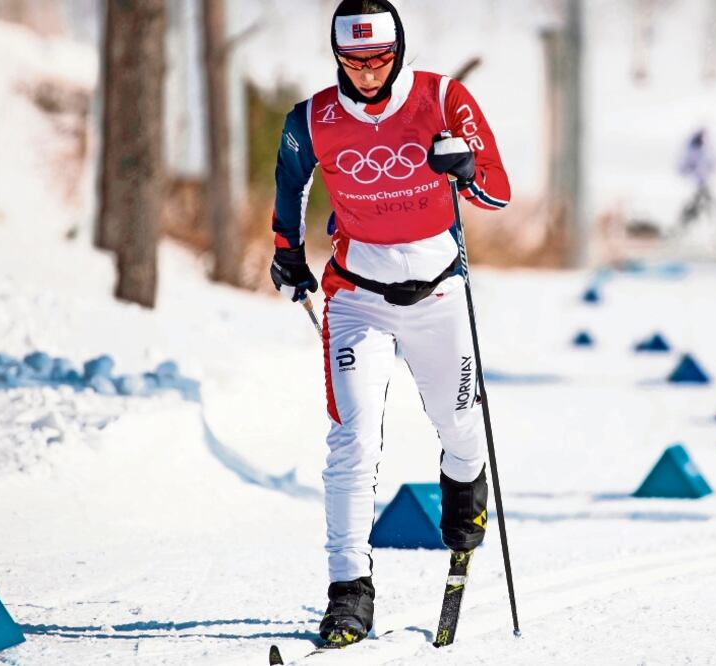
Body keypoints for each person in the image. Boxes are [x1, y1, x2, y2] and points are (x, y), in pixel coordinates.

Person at [268, 0, 511, 646]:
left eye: (378, 60)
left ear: (397, 52)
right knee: (352, 442)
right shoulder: (312, 119)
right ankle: (348, 591)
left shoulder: (442, 97)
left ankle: (465, 497)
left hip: (437, 295)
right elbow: (290, 182)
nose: (368, 74)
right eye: (353, 62)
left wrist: (464, 169)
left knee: (458, 424)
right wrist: (286, 253)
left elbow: (497, 188)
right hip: (356, 297)